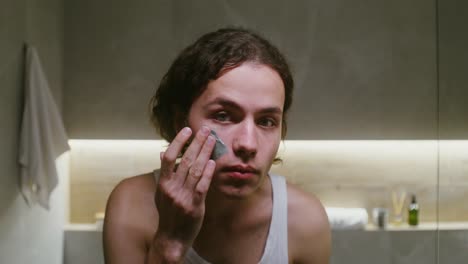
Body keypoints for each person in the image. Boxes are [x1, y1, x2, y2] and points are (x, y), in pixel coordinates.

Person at [103, 27, 331, 264]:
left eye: (266, 121)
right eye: (223, 115)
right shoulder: (133, 206)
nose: (248, 144)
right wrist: (169, 243)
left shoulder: (305, 220)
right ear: (180, 121)